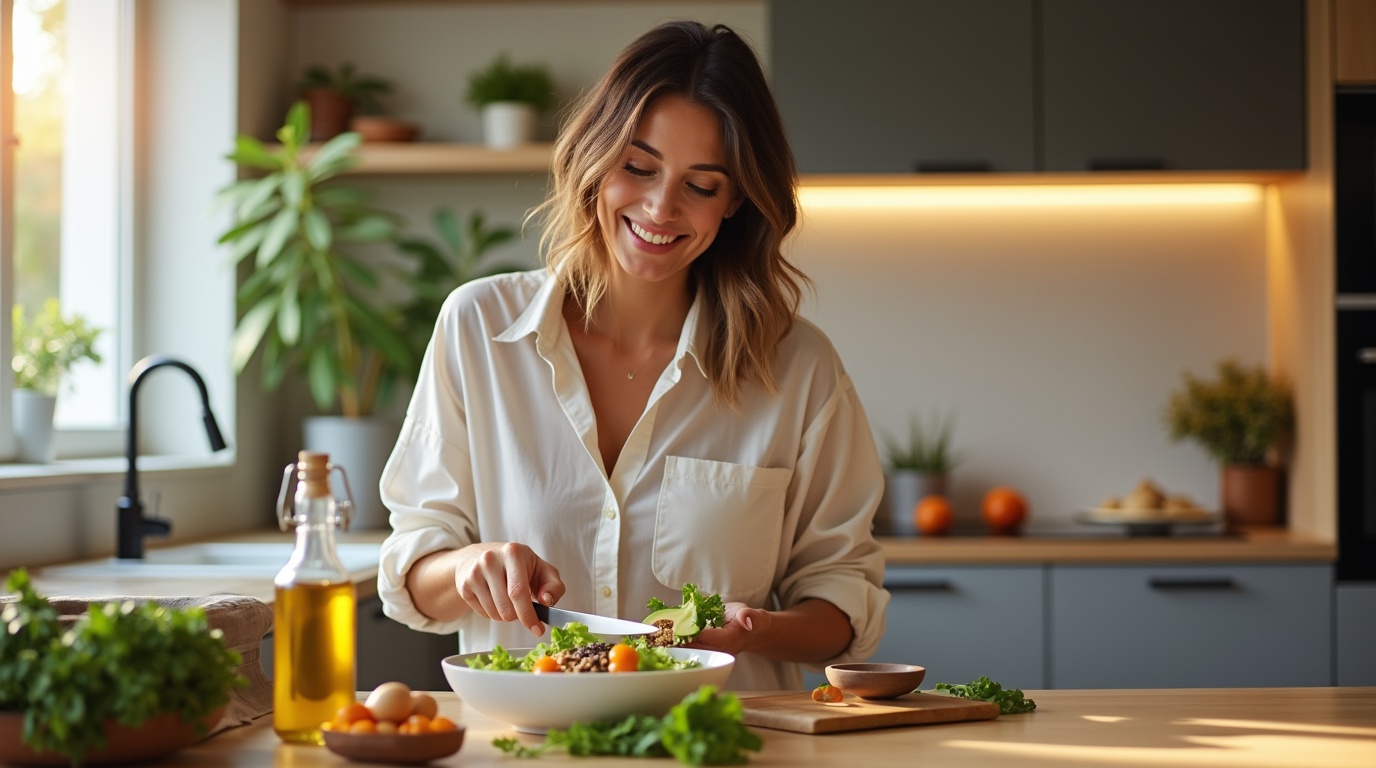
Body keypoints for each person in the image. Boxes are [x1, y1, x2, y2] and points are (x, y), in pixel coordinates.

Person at [376, 20, 889, 690]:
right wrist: (470, 566)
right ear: (595, 159)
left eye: (700, 186)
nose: (660, 207)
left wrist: (754, 629)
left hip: (724, 743)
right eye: (638, 167)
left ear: (735, 199)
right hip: (530, 746)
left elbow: (844, 597)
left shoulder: (798, 366)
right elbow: (412, 570)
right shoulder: (478, 328)